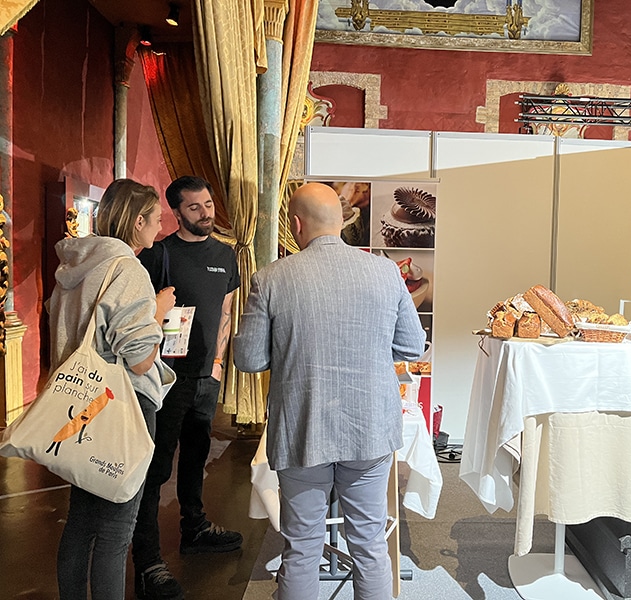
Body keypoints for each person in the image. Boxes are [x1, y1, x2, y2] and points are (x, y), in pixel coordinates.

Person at [234, 182, 426, 600]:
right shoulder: (385, 273)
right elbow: (413, 346)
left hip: (302, 428)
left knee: (302, 548)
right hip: (370, 429)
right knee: (370, 545)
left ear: (296, 224)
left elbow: (248, 359)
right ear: (342, 221)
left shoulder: (270, 279)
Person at [48, 178, 176, 600]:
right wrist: (157, 312)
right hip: (123, 404)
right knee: (117, 528)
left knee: (81, 520)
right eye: (155, 218)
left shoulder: (76, 265)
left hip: (79, 400)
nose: (160, 226)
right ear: (137, 221)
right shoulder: (127, 269)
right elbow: (139, 358)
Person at [132, 176, 242, 600]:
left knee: (197, 455)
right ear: (176, 212)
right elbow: (140, 316)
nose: (205, 213)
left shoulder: (225, 255)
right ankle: (147, 561)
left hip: (204, 376)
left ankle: (194, 528)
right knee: (156, 468)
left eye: (208, 204)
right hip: (164, 378)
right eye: (194, 207)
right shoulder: (157, 255)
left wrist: (217, 363)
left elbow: (226, 310)